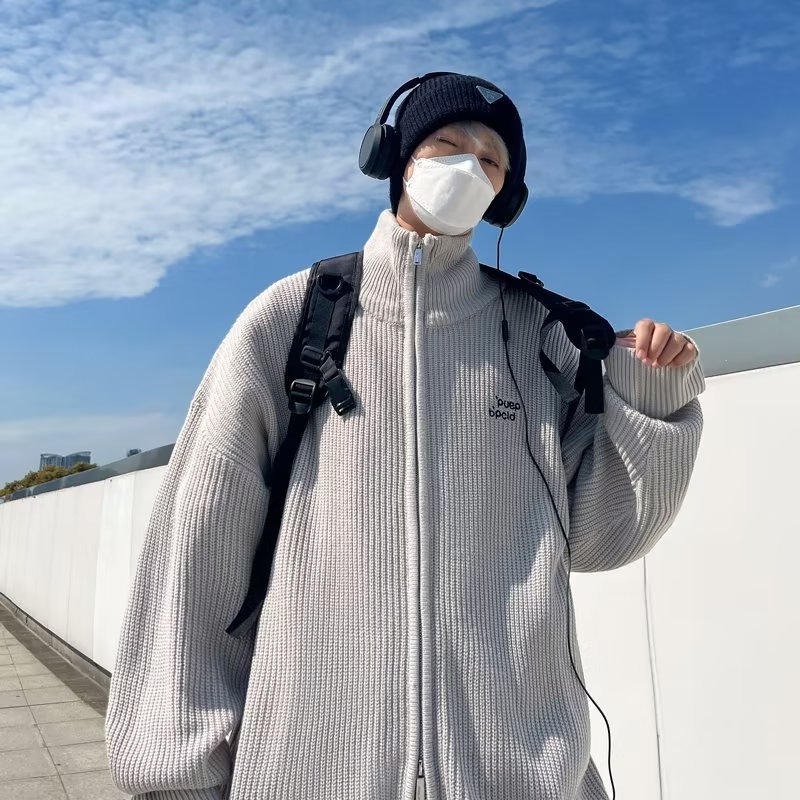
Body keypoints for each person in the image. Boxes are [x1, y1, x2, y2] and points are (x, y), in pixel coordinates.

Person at [105, 72, 705, 800]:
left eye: (491, 161)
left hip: (520, 774)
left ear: (505, 194)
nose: (468, 167)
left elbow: (602, 538)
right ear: (393, 156)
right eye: (447, 144)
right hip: (312, 771)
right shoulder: (291, 320)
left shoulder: (541, 333)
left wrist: (653, 395)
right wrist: (181, 776)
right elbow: (197, 556)